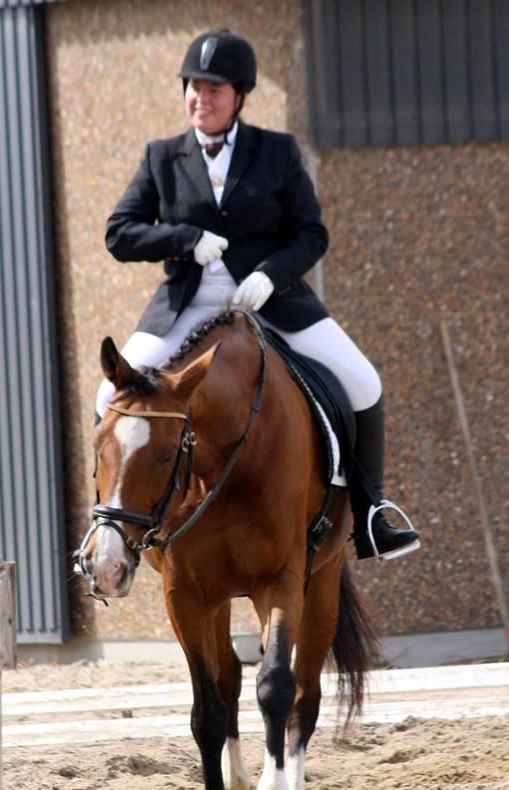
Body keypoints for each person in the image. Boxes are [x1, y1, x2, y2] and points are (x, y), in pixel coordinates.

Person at [98, 28, 420, 562]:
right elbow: (119, 232)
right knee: (107, 398)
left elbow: (311, 233)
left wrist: (272, 274)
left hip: (271, 302)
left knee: (364, 381)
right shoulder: (161, 157)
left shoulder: (277, 151)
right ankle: (109, 525)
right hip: (188, 307)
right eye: (194, 87)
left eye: (215, 89)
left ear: (240, 96)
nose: (201, 98)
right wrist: (185, 239)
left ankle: (370, 514)